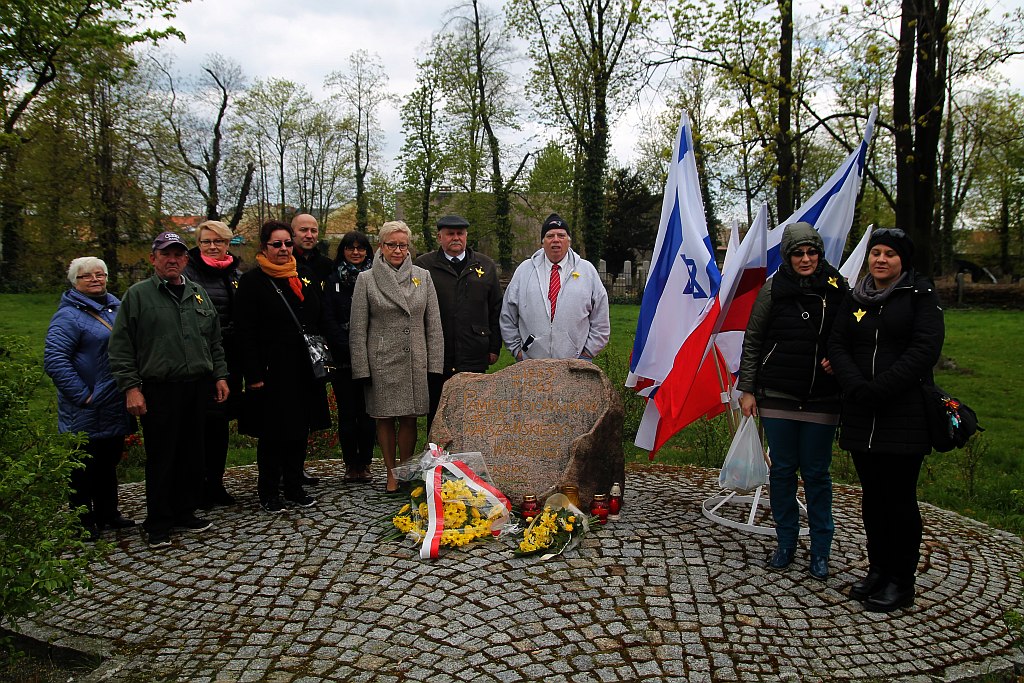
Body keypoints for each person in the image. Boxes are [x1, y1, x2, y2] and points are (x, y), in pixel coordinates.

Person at [828, 228, 944, 612]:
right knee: (873, 499)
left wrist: (881, 388)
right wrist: (855, 384)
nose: (880, 259)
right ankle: (877, 568)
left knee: (898, 499)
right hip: (862, 409)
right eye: (875, 252)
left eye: (889, 254)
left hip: (903, 411)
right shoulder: (855, 296)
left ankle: (901, 579)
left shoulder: (920, 296)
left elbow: (924, 349)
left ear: (902, 261)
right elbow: (838, 343)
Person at [737, 222, 848, 581]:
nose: (805, 259)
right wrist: (748, 389)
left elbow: (852, 334)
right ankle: (785, 542)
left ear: (819, 253)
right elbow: (753, 339)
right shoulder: (772, 290)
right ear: (787, 256)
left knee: (816, 473)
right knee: (783, 471)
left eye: (811, 252)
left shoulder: (837, 288)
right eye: (798, 253)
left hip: (822, 396)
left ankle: (821, 549)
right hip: (778, 394)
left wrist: (840, 359)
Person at [108, 232, 230, 549]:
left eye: (178, 255)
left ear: (186, 260)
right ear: (153, 258)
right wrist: (131, 389)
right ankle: (159, 522)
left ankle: (184, 511)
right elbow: (121, 348)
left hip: (197, 386)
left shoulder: (197, 294)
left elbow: (214, 341)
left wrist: (220, 376)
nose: (172, 260)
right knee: (162, 456)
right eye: (166, 254)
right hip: (159, 388)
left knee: (193, 453)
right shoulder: (138, 296)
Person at [235, 220, 331, 513]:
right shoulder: (253, 282)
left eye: (287, 243)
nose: (283, 249)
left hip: (302, 368)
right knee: (273, 433)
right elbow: (244, 332)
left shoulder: (302, 274)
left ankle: (293, 486)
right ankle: (268, 491)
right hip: (271, 370)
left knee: (299, 430)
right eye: (276, 244)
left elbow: (316, 314)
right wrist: (252, 374)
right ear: (264, 247)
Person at [44, 257, 136, 540]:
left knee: (109, 460)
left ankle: (108, 512)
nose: (95, 280)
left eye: (100, 274)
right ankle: (81, 520)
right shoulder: (69, 316)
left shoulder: (116, 307)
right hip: (86, 404)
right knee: (84, 466)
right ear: (75, 281)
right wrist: (83, 396)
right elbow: (55, 359)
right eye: (87, 276)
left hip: (114, 399)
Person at [349, 221, 443, 494]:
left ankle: (406, 469)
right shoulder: (366, 279)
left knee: (411, 417)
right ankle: (391, 472)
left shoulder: (422, 276)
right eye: (392, 244)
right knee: (385, 417)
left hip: (415, 357)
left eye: (403, 244)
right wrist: (361, 367)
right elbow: (357, 328)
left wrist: (434, 363)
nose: (398, 250)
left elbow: (433, 323)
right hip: (382, 359)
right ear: (381, 246)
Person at [414, 214, 502, 430]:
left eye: (460, 233)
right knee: (437, 413)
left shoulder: (485, 265)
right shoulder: (424, 265)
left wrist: (494, 347)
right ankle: (437, 461)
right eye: (450, 234)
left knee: (472, 414)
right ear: (439, 237)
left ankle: (468, 461)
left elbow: (496, 310)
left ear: (466, 235)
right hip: (437, 353)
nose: (456, 238)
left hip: (474, 350)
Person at [182, 220, 242, 507]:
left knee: (219, 426)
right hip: (198, 362)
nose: (212, 246)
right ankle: (196, 486)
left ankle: (216, 483)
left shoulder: (235, 274)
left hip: (228, 360)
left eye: (218, 241)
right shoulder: (188, 273)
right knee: (198, 426)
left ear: (228, 244)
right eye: (206, 242)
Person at [500, 213, 610, 361]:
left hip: (575, 362)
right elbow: (508, 314)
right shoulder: (524, 271)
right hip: (531, 363)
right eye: (550, 236)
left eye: (561, 235)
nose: (556, 240)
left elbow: (601, 318)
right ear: (542, 242)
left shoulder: (587, 271)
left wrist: (587, 354)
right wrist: (517, 351)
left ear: (569, 241)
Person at [322, 231, 377, 484]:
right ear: (342, 251)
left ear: (367, 251)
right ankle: (349, 464)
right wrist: (347, 346)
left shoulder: (376, 278)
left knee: (367, 415)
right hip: (342, 357)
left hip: (371, 355)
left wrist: (366, 348)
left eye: (361, 248)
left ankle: (364, 462)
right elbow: (328, 318)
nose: (356, 252)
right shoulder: (332, 280)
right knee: (347, 414)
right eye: (350, 248)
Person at [291, 213, 333, 287]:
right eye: (304, 230)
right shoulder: (284, 264)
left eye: (313, 231)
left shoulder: (327, 265)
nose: (309, 236)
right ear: (292, 233)